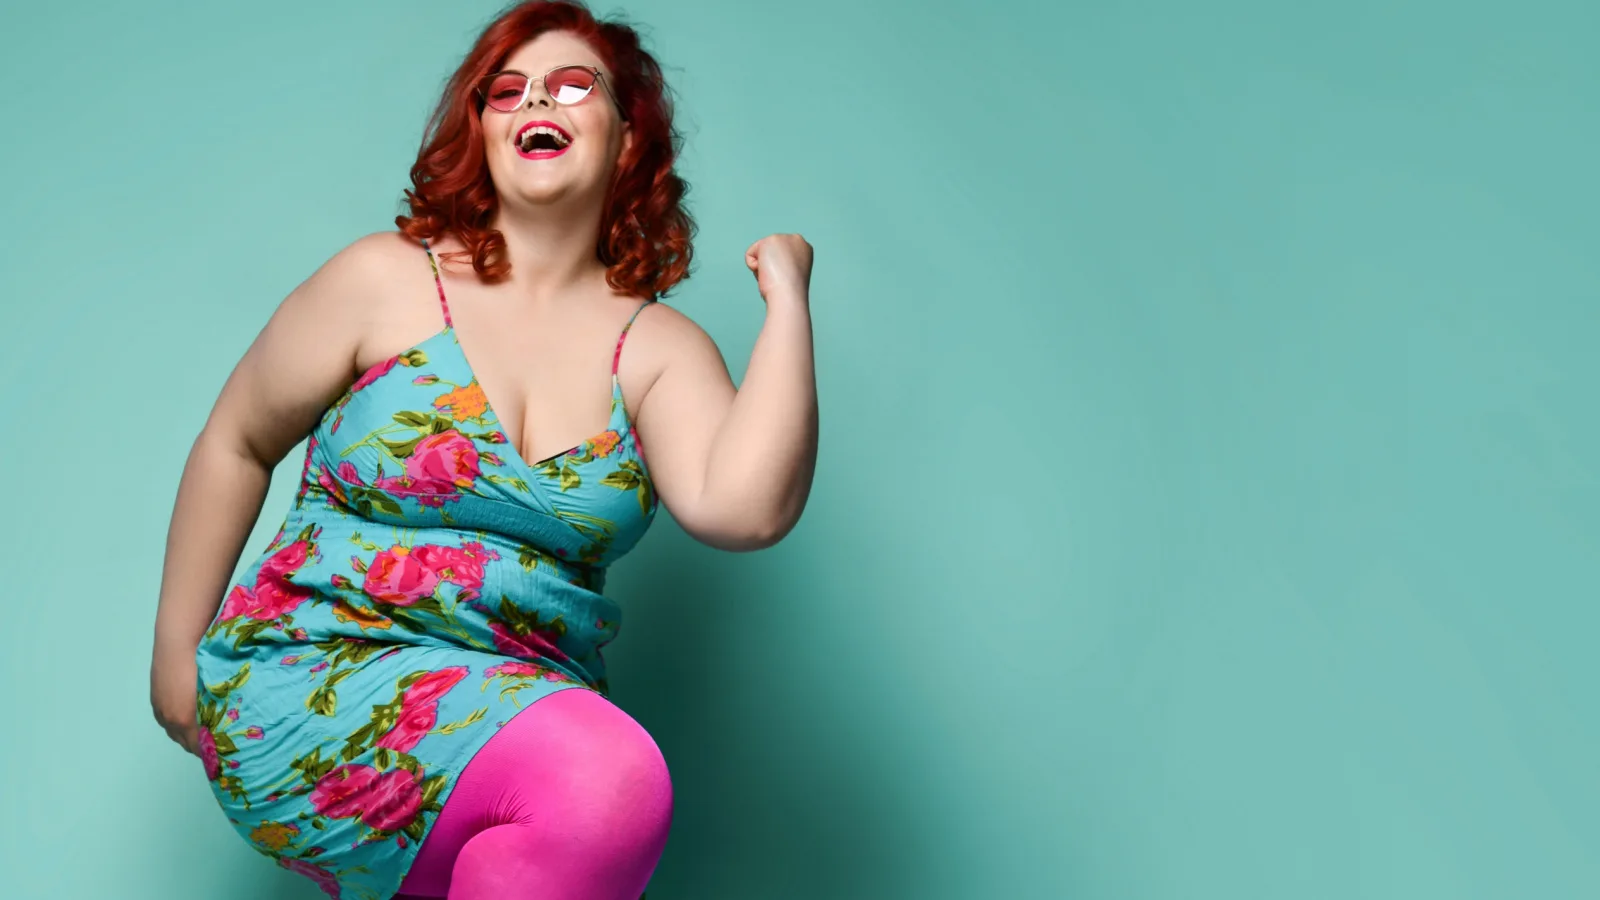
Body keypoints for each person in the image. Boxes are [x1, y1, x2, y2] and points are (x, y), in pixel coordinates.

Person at [146, 2, 818, 897]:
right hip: (315, 674)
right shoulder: (383, 280)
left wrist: (788, 300)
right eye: (507, 90)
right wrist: (174, 661)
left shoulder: (659, 350)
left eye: (572, 85)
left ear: (627, 138)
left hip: (511, 726)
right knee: (606, 781)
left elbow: (745, 509)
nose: (536, 98)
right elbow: (236, 442)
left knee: (570, 811)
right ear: (484, 131)